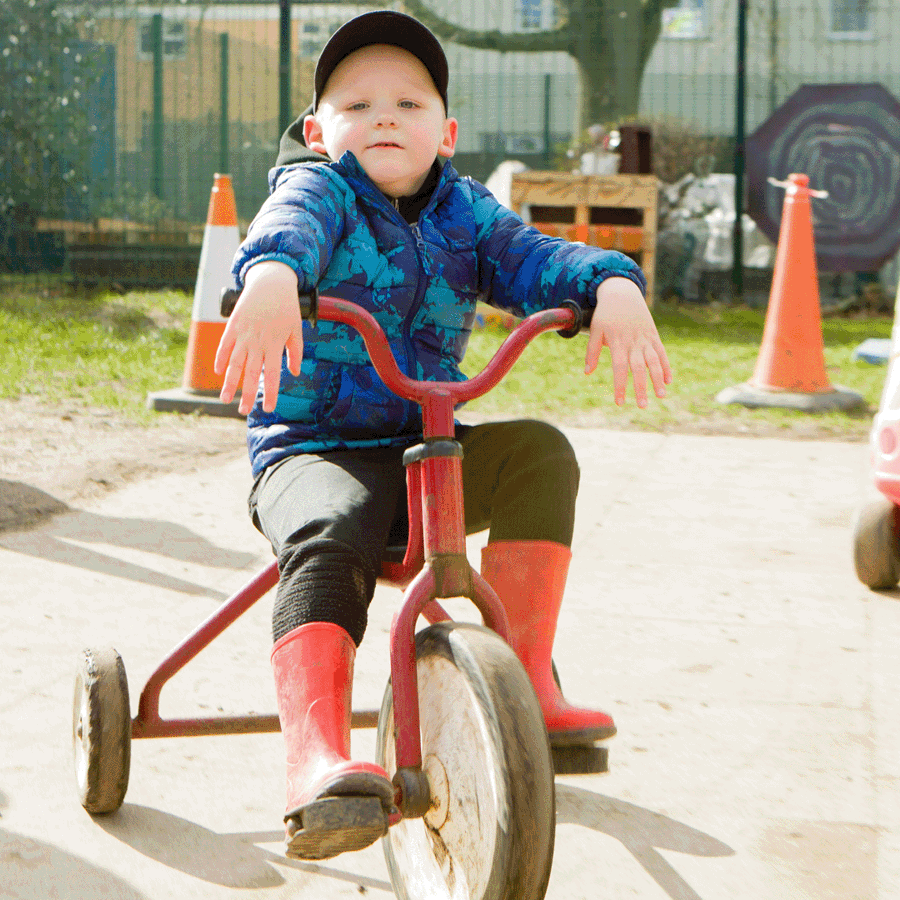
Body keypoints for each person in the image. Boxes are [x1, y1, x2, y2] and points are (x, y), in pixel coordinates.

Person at [215, 10, 672, 861]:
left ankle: (528, 678)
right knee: (327, 530)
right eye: (357, 104)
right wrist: (274, 275)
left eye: (409, 103)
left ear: (447, 132)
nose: (384, 116)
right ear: (320, 132)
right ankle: (312, 757)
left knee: (541, 452)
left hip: (425, 449)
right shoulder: (320, 192)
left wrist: (609, 283)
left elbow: (535, 259)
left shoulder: (466, 212)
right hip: (312, 446)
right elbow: (286, 232)